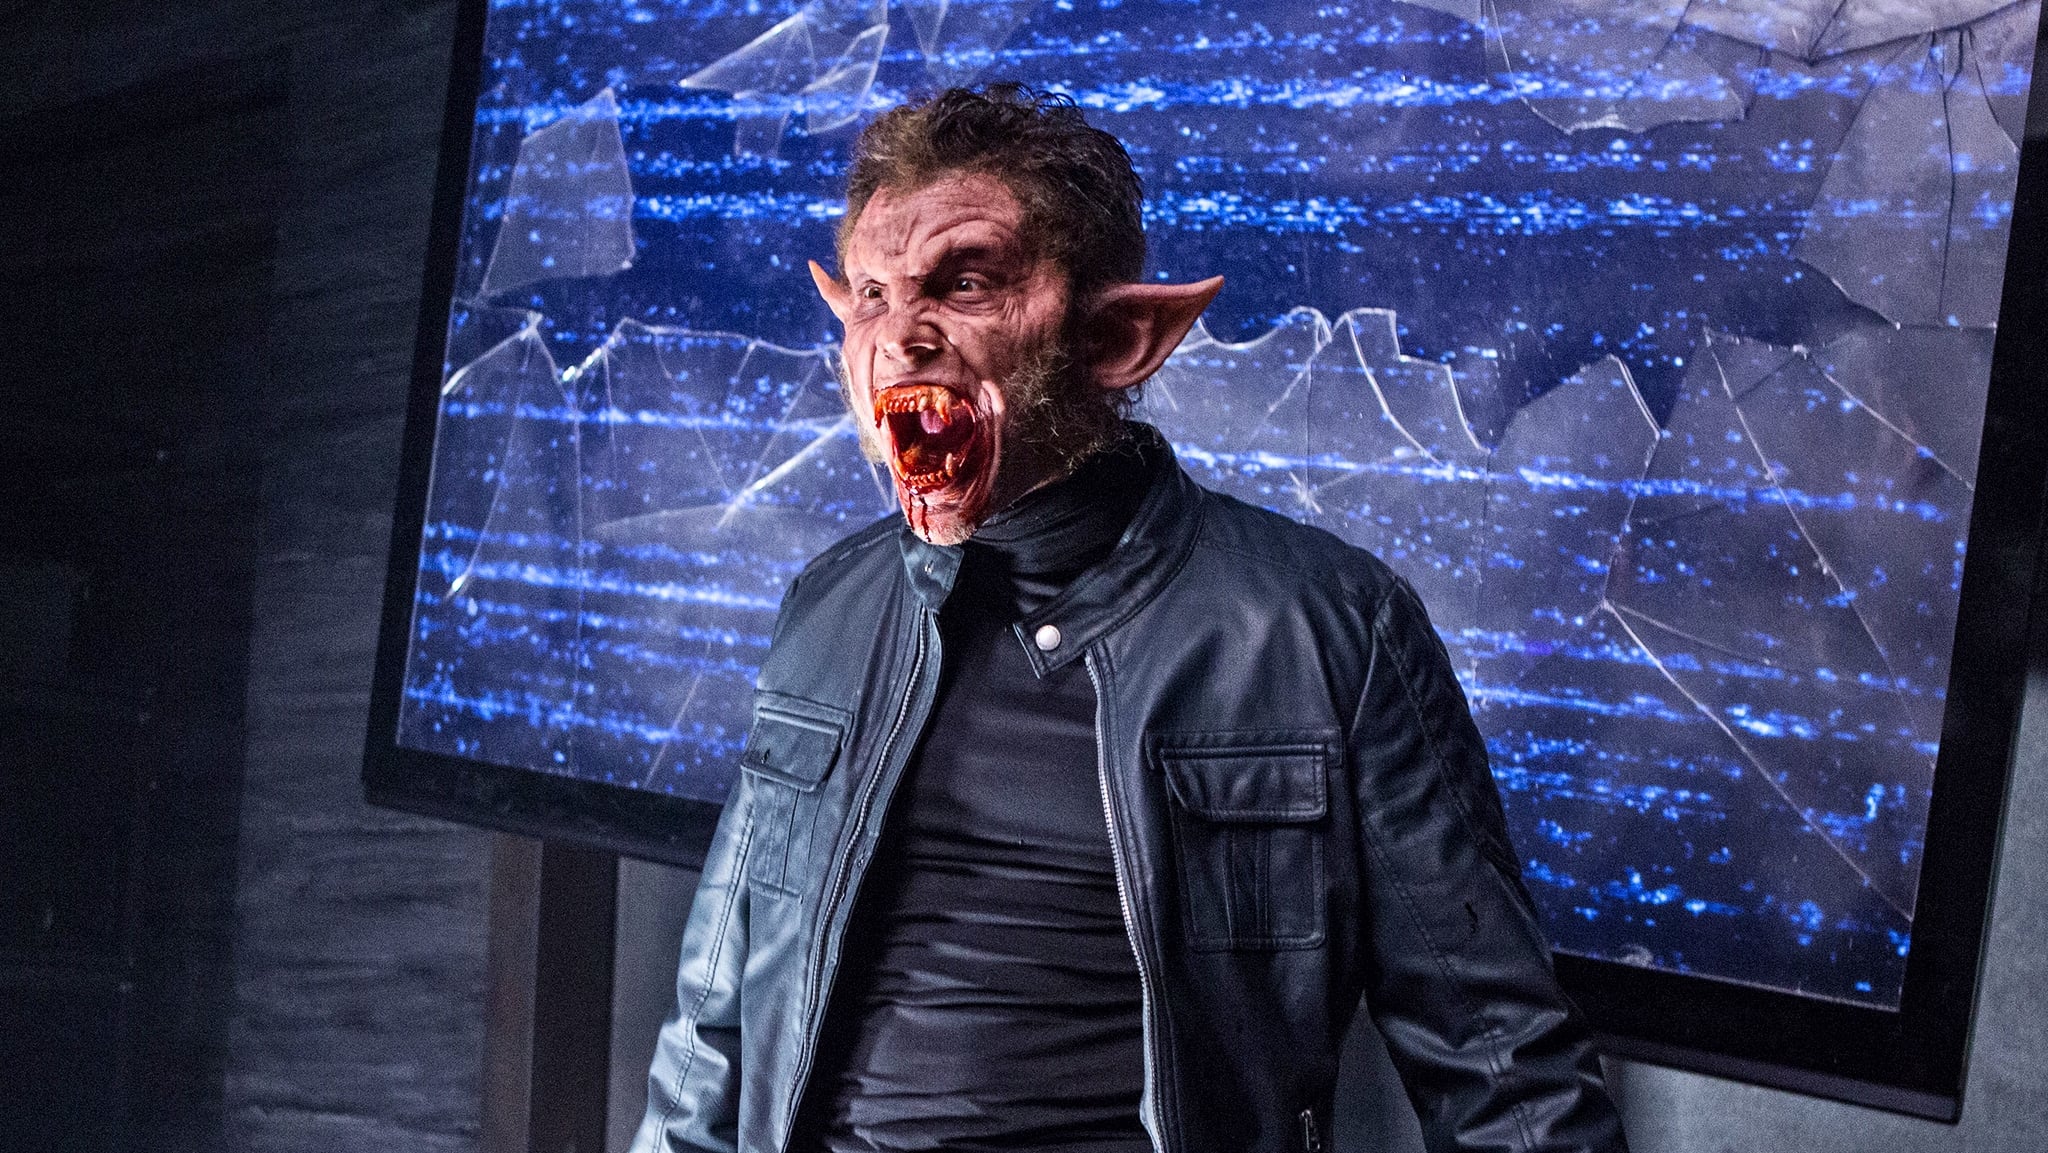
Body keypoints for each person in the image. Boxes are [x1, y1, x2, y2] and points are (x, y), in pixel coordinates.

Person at [630, 84, 1628, 1153]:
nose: (899, 336)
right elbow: (712, 1037)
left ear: (1119, 337)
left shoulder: (1325, 629)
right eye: (870, 293)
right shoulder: (832, 604)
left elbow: (1506, 1076)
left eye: (963, 283)